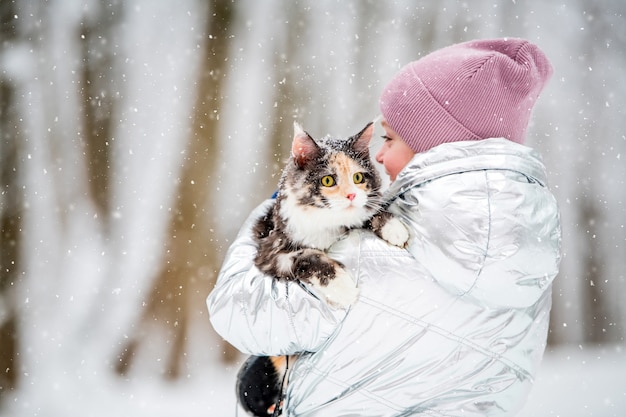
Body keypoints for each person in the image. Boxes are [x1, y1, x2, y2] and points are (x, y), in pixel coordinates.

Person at [207, 38, 561, 416]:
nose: (377, 154)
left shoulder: (371, 254)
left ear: (433, 143)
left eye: (389, 138)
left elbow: (237, 312)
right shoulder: (530, 261)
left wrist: (264, 219)